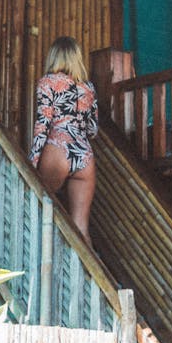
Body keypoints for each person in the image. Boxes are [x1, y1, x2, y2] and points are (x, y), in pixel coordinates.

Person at [29, 36, 97, 244]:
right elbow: (93, 129)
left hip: (58, 149)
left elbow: (43, 124)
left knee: (41, 213)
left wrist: (32, 162)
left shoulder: (47, 82)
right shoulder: (88, 88)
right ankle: (87, 276)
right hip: (84, 156)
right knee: (81, 229)